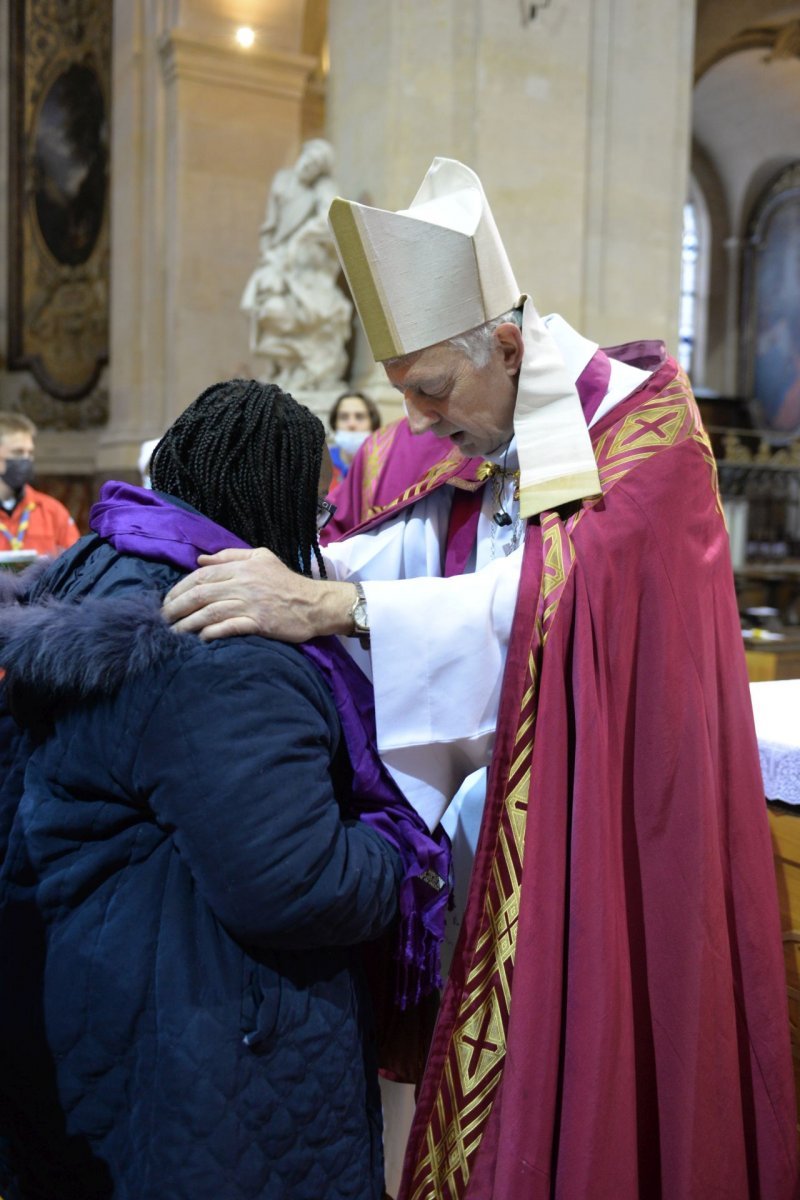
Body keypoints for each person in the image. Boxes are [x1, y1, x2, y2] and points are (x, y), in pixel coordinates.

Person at [163, 161, 798, 1198]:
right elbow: (390, 559)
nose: (412, 422)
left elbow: (566, 600)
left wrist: (337, 607)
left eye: (427, 390)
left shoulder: (643, 435)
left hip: (591, 828)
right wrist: (287, 578)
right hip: (461, 840)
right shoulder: (466, 431)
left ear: (506, 350)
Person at [0, 380, 450, 1200]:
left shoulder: (97, 573)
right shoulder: (221, 649)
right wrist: (407, 839)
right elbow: (298, 885)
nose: (316, 534)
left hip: (99, 1004)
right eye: (312, 511)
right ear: (270, 505)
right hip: (215, 1057)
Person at [0, 412, 79, 558]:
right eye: (17, 452)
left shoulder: (52, 511)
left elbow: (77, 566)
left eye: (30, 453)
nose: (26, 460)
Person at [328, 390, 382, 488]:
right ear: (334, 424)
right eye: (344, 417)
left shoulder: (385, 464)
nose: (351, 424)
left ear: (373, 423)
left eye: (359, 417)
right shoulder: (322, 463)